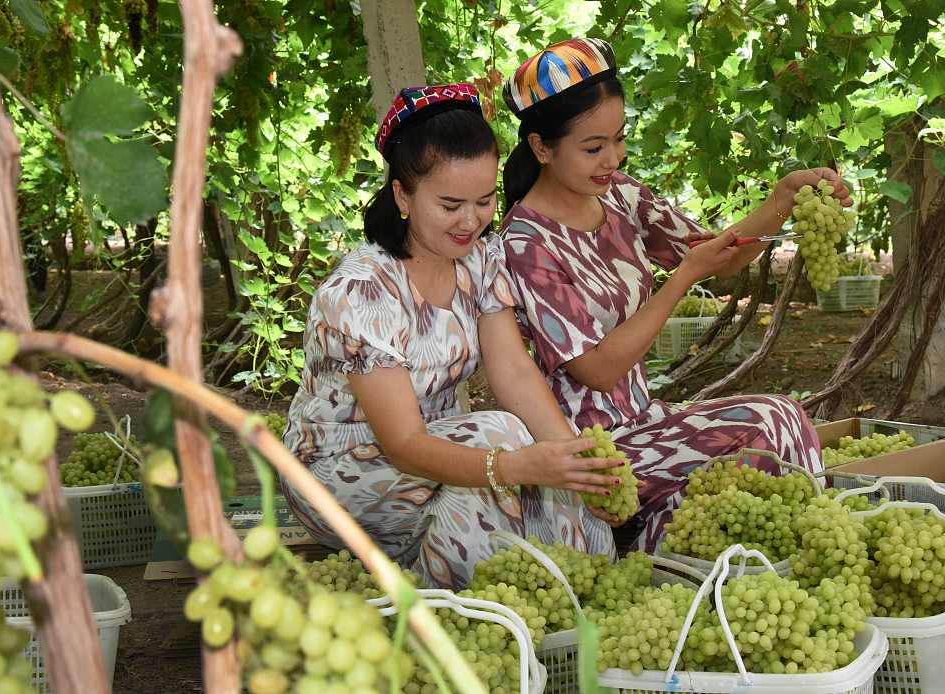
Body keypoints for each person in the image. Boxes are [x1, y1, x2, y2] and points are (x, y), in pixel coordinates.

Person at [498, 38, 841, 554]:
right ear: (541, 147)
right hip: (596, 455)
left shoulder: (618, 194)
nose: (611, 158)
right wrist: (679, 280)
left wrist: (782, 200)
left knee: (713, 505)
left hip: (647, 424)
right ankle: (822, 548)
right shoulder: (525, 242)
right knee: (776, 419)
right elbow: (594, 369)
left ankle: (680, 565)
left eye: (618, 139)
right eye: (593, 148)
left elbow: (717, 255)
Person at [281, 83, 624, 590]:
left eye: (485, 201)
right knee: (501, 439)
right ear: (402, 194)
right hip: (342, 471)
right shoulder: (360, 293)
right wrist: (515, 464)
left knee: (547, 463)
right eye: (450, 205)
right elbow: (402, 444)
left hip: (442, 448)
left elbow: (512, 371)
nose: (471, 221)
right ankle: (485, 612)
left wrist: (579, 466)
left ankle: (587, 598)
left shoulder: (481, 259)